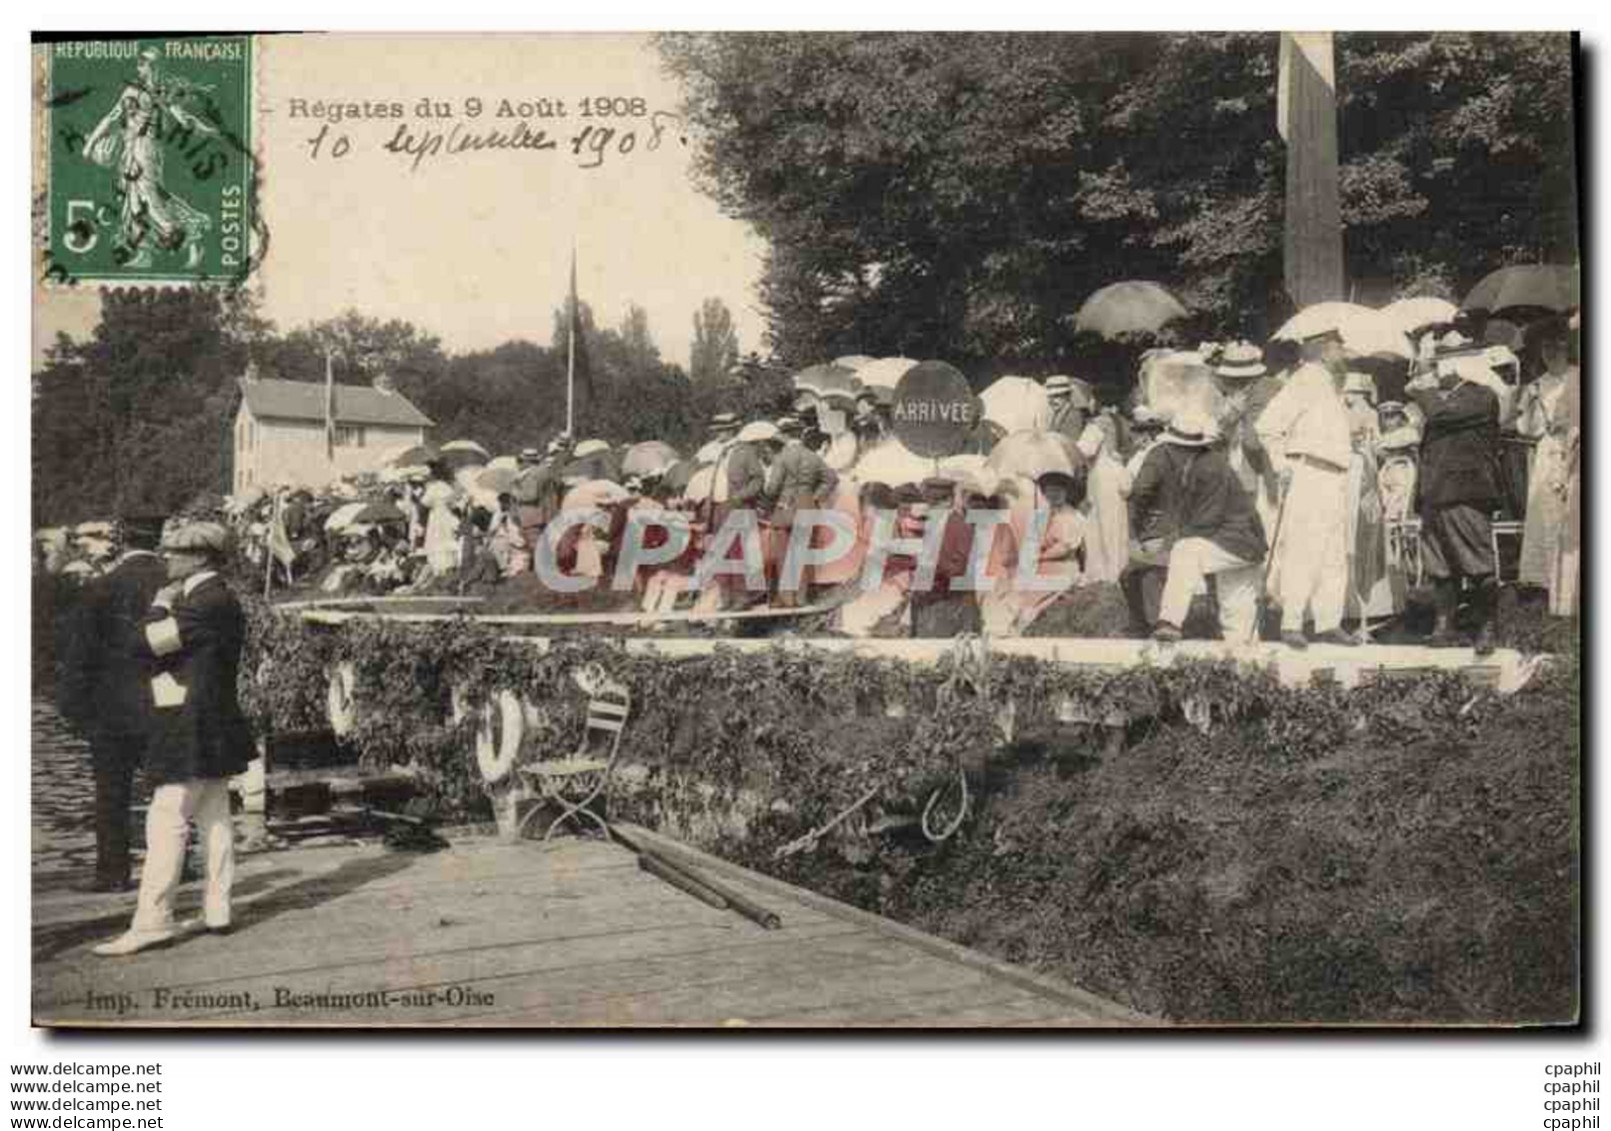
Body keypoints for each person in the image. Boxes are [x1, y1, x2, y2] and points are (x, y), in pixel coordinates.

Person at [94, 522, 252, 956]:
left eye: (175, 554)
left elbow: (145, 644)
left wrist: (159, 607)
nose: (167, 560)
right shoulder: (216, 597)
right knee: (214, 815)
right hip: (213, 721)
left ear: (200, 557)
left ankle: (153, 921)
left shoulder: (202, 602)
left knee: (166, 819)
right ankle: (217, 908)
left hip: (189, 721)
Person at [58, 515, 168, 893]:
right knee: (169, 791)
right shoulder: (174, 584)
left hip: (111, 711)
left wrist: (72, 707)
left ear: (122, 540)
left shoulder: (102, 587)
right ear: (160, 538)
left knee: (111, 793)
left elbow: (79, 656)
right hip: (166, 704)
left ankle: (112, 873)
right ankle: (176, 866)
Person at [1255, 327, 1357, 649]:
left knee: (1333, 553)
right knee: (1303, 548)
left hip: (1335, 475)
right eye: (1339, 346)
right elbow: (1267, 426)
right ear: (1324, 350)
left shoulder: (1329, 385)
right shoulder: (1305, 380)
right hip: (1310, 471)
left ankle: (1328, 622)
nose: (1344, 352)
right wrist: (1281, 465)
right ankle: (1292, 622)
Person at [1406, 335, 1507, 652]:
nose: (1436, 370)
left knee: (1477, 563)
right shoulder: (1448, 398)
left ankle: (1486, 629)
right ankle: (1444, 627)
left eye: (1441, 362)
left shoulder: (1481, 395)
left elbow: (1439, 415)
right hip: (1436, 492)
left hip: (1466, 491)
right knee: (1440, 567)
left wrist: (1421, 390)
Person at [1150, 413, 1268, 645]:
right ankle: (1248, 663)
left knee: (1185, 551)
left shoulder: (1208, 468)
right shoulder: (1197, 467)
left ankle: (1170, 622)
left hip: (1236, 542)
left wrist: (1168, 543)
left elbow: (1204, 522)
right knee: (1237, 612)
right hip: (1242, 545)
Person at [1122, 413, 1200, 635]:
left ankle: (1151, 624)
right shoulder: (1204, 455)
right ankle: (1165, 622)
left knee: (1137, 573)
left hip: (1161, 527)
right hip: (1195, 527)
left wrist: (1137, 528)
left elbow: (1141, 491)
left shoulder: (1158, 455)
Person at [1515, 324, 1576, 591]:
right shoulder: (1536, 386)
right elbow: (1526, 429)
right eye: (1546, 349)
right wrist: (1528, 404)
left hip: (1575, 447)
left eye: (1556, 347)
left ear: (1567, 348)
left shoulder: (1579, 377)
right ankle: (1550, 578)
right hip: (1548, 452)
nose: (1551, 353)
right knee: (1547, 510)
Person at [761, 417, 840, 607]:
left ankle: (787, 598)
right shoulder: (813, 456)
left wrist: (768, 492)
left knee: (783, 555)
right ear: (800, 434)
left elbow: (772, 489)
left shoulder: (782, 457)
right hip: (807, 505)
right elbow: (831, 478)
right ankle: (801, 598)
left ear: (784, 435)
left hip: (785, 507)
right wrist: (814, 496)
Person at [1074, 407, 1130, 583]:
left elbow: (1085, 449)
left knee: (1101, 524)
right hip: (1115, 471)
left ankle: (1105, 572)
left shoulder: (1096, 424)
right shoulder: (1120, 421)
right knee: (1114, 523)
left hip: (1102, 476)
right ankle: (1115, 568)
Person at [1045, 375, 1089, 444]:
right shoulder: (1055, 413)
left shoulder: (1074, 415)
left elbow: (1071, 445)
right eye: (1050, 397)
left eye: (1056, 396)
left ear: (1067, 396)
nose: (1052, 401)